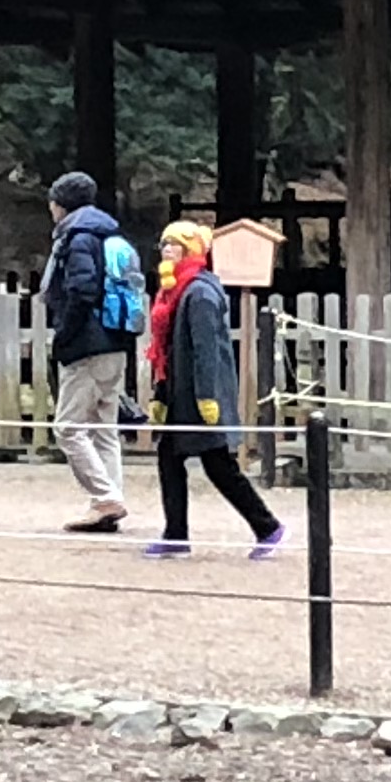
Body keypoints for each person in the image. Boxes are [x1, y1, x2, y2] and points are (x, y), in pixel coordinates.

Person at [140, 221, 285, 560]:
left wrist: (208, 397)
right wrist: (162, 395)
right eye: (164, 244)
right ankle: (176, 534)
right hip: (180, 393)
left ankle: (267, 526)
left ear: (191, 251)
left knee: (219, 466)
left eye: (175, 245)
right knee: (171, 459)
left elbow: (206, 351)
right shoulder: (175, 290)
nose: (167, 250)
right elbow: (169, 350)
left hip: (199, 396)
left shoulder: (200, 293)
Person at [37, 173, 136, 534]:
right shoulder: (110, 234)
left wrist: (64, 335)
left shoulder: (77, 239)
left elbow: (81, 290)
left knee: (68, 427)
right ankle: (109, 500)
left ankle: (105, 497)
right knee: (103, 427)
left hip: (87, 345)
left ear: (60, 203)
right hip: (116, 339)